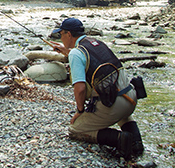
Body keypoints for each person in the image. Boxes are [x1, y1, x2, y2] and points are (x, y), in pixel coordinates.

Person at [49, 17, 144, 160]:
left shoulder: (76, 53)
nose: (61, 37)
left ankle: (121, 139)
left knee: (75, 129)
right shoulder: (97, 43)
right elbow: (91, 59)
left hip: (114, 104)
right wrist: (68, 51)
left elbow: (80, 88)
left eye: (61, 34)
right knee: (120, 112)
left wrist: (80, 111)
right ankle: (136, 142)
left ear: (68, 34)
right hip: (131, 98)